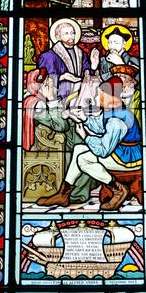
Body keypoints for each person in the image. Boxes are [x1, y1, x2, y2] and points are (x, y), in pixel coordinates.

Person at [36, 77, 142, 211]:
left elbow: (103, 150)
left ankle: (118, 190)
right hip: (119, 150)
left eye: (99, 95)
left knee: (83, 159)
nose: (97, 98)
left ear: (109, 96)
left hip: (127, 157)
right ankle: (63, 195)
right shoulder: (113, 110)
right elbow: (101, 128)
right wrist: (84, 119)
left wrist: (85, 136)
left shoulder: (117, 121)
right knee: (79, 149)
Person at [23, 68, 97, 203]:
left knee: (82, 139)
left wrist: (66, 113)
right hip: (52, 144)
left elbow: (57, 120)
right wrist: (52, 99)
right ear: (41, 86)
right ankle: (76, 192)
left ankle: (77, 188)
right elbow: (60, 126)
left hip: (58, 138)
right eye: (50, 85)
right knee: (82, 146)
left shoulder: (36, 99)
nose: (54, 88)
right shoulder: (36, 104)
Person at [38, 18, 99, 100]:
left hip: (80, 95)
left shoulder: (81, 54)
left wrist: (93, 66)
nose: (71, 36)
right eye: (66, 33)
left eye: (73, 33)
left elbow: (87, 73)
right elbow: (44, 80)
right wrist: (62, 77)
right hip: (59, 97)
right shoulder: (48, 56)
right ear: (58, 36)